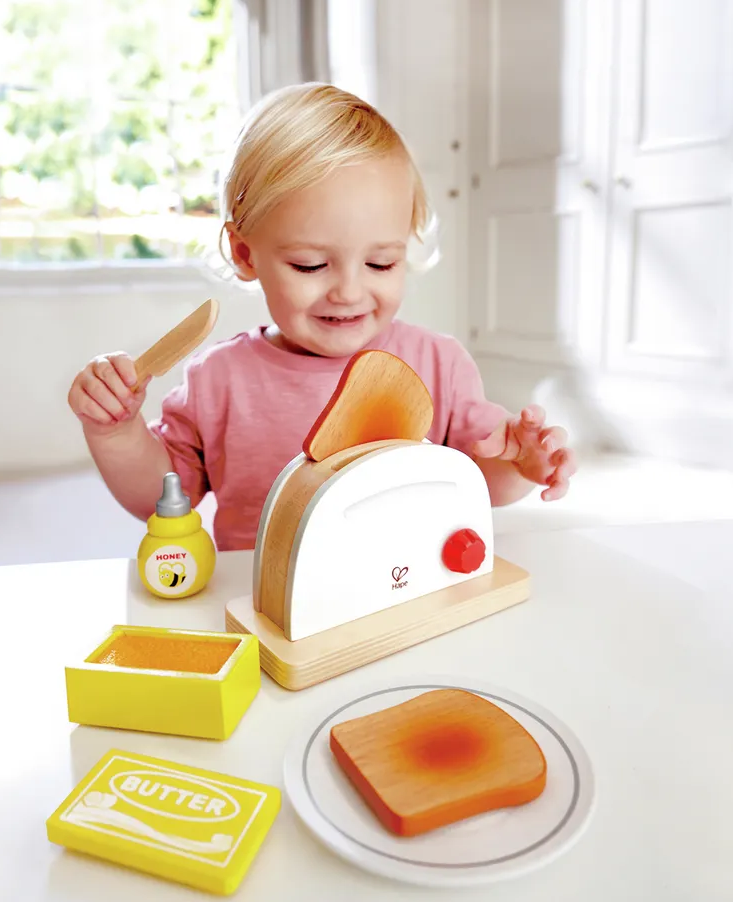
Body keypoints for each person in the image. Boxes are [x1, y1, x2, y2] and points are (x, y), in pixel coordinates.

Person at [68, 83, 576, 552]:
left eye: (381, 262)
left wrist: (522, 465)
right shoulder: (217, 380)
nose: (350, 292)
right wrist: (116, 434)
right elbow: (155, 501)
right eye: (310, 264)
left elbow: (481, 481)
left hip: (401, 593)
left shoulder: (438, 364)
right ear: (246, 253)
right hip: (267, 605)